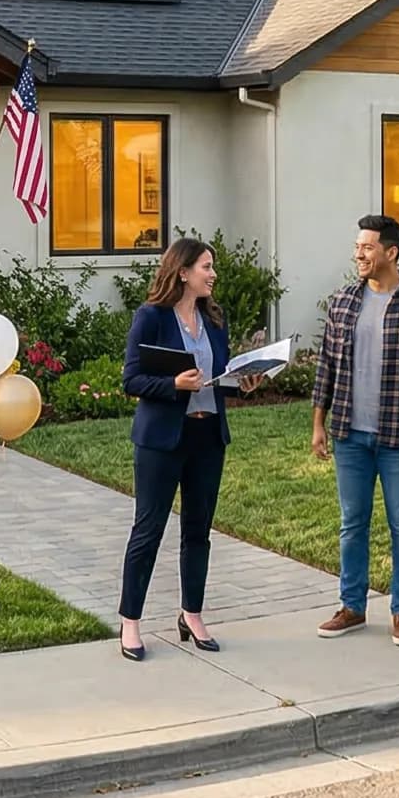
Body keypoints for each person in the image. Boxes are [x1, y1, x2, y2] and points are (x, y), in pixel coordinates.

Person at [115, 236, 266, 661]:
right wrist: (173, 385)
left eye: (212, 267)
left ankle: (192, 614)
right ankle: (130, 622)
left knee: (198, 532)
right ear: (182, 271)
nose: (213, 274)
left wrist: (245, 383)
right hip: (162, 440)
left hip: (207, 436)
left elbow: (217, 378)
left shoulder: (214, 321)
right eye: (206, 266)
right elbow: (131, 380)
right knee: (148, 531)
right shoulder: (151, 318)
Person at [310, 214, 399, 645]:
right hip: (350, 433)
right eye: (357, 246)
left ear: (391, 252)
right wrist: (319, 424)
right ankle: (352, 607)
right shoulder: (343, 302)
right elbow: (326, 369)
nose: (359, 254)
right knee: (352, 523)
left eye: (368, 247)